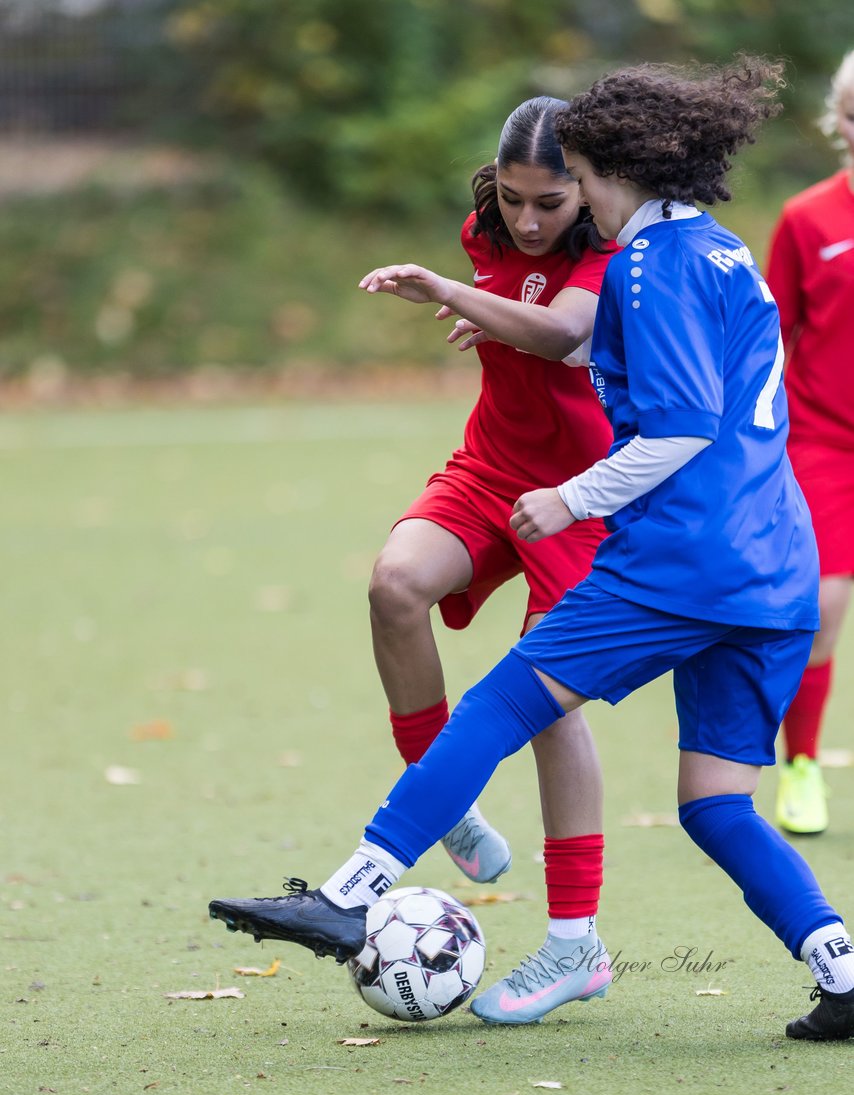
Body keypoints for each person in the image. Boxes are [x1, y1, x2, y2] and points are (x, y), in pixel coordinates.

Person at [210, 55, 854, 1042]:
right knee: (715, 805)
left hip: (685, 559)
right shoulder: (723, 250)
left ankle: (348, 894)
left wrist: (570, 497)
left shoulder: (647, 263)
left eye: (578, 180)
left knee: (505, 701)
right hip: (774, 568)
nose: (573, 201)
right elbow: (618, 357)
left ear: (614, 171)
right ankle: (840, 967)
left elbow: (682, 425)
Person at [356, 96, 615, 972]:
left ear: (588, 188)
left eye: (550, 202)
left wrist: (455, 294)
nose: (528, 220)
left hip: (582, 495)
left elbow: (566, 327)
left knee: (547, 700)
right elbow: (522, 309)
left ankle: (575, 943)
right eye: (511, 198)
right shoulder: (486, 234)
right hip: (493, 466)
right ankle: (443, 795)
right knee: (394, 586)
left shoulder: (616, 247)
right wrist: (492, 309)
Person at [766, 49, 854, 837]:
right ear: (841, 122)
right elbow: (772, 339)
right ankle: (800, 763)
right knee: (821, 604)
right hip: (824, 438)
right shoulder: (807, 218)